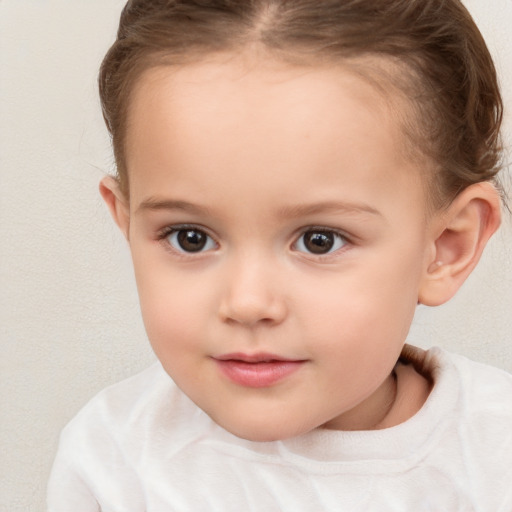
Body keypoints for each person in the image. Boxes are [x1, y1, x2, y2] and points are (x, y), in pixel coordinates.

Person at [47, 0, 512, 510]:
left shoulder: (495, 458)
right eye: (190, 237)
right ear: (128, 223)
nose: (247, 303)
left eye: (319, 240)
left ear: (447, 247)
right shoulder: (113, 461)